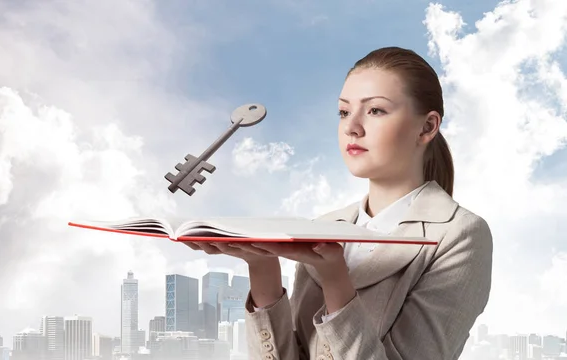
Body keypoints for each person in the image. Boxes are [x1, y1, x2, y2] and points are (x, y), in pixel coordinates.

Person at [185, 46, 493, 360]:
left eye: (375, 110)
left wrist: (335, 278)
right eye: (344, 112)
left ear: (427, 127)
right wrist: (262, 266)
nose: (351, 127)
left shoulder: (460, 235)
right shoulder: (328, 225)